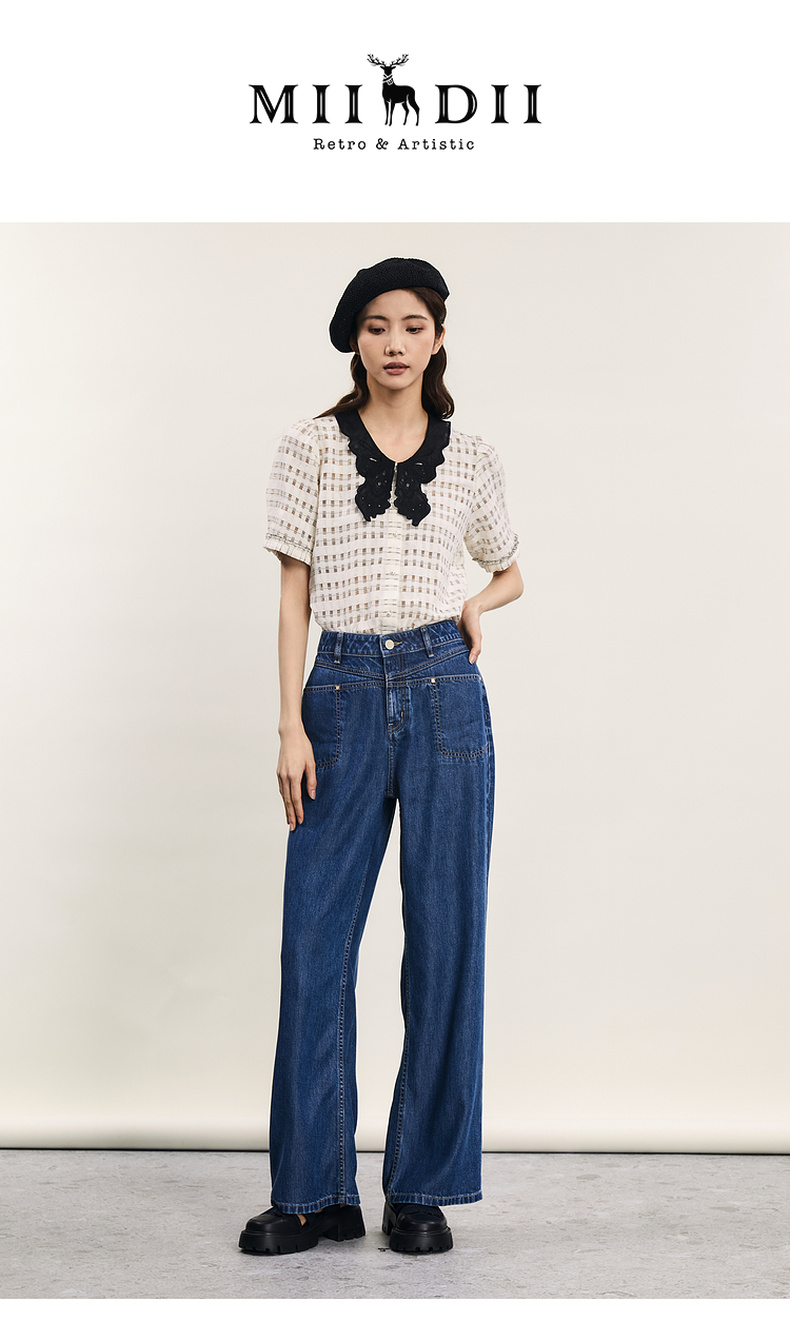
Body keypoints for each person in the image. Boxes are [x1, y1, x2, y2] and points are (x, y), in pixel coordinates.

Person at [238, 257, 523, 1257]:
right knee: (314, 944)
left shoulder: (472, 456)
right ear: (352, 340)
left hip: (446, 694)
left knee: (446, 941)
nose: (394, 342)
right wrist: (289, 723)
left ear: (437, 338)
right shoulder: (310, 447)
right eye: (375, 325)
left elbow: (511, 567)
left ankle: (421, 1188)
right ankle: (313, 1191)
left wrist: (475, 604)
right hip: (341, 694)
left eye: (412, 325)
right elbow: (292, 594)